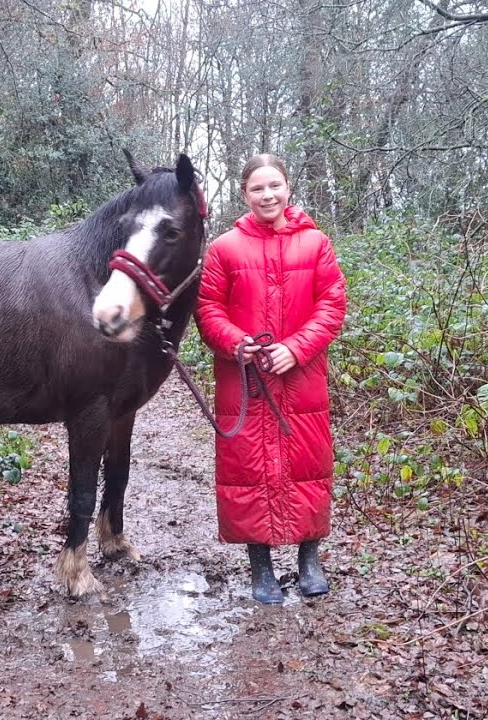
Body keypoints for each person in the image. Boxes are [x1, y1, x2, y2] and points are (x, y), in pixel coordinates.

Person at [195, 153, 347, 604]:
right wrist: (236, 343)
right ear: (244, 194)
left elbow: (332, 306)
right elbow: (208, 311)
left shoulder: (316, 244)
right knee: (247, 469)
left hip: (302, 379)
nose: (267, 195)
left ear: (288, 188)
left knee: (307, 465)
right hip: (244, 381)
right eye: (258, 188)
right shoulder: (224, 248)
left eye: (274, 185)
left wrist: (296, 348)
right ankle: (260, 566)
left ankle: (309, 559)